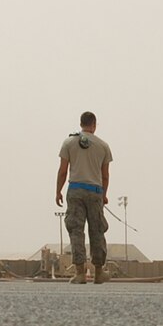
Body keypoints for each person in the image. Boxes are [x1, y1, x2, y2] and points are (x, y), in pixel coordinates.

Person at [56, 112, 115, 284]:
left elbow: (62, 171)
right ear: (94, 124)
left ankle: (80, 272)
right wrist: (104, 195)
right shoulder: (103, 146)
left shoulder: (68, 142)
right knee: (96, 231)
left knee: (76, 231)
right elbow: (105, 175)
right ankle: (98, 272)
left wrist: (58, 191)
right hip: (95, 191)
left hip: (75, 190)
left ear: (80, 123)